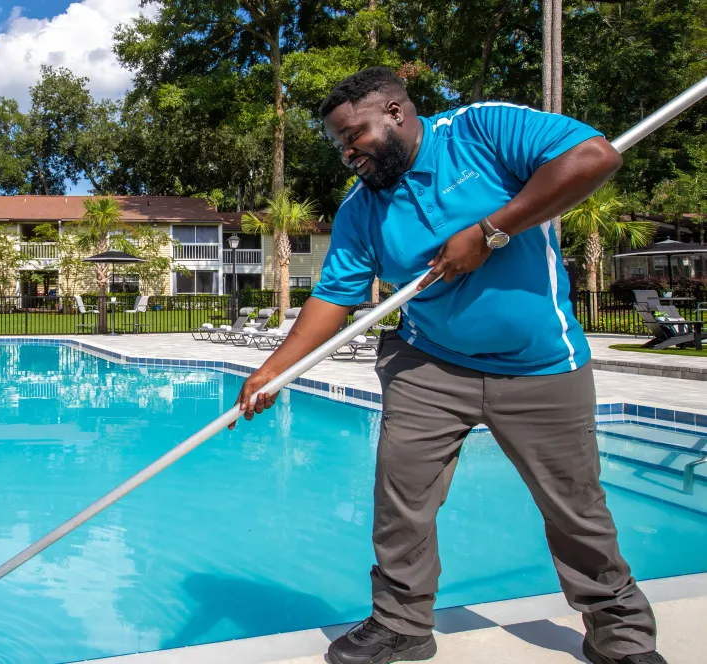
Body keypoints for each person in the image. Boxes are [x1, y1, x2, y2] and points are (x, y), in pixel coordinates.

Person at [231, 68, 664, 664]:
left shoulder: (481, 129)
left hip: (540, 363)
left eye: (353, 135)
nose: (347, 152)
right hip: (428, 364)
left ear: (396, 112)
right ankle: (401, 623)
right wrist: (273, 371)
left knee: (575, 505)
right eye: (338, 144)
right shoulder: (362, 210)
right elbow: (335, 297)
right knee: (401, 495)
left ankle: (619, 631)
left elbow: (594, 156)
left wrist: (490, 230)